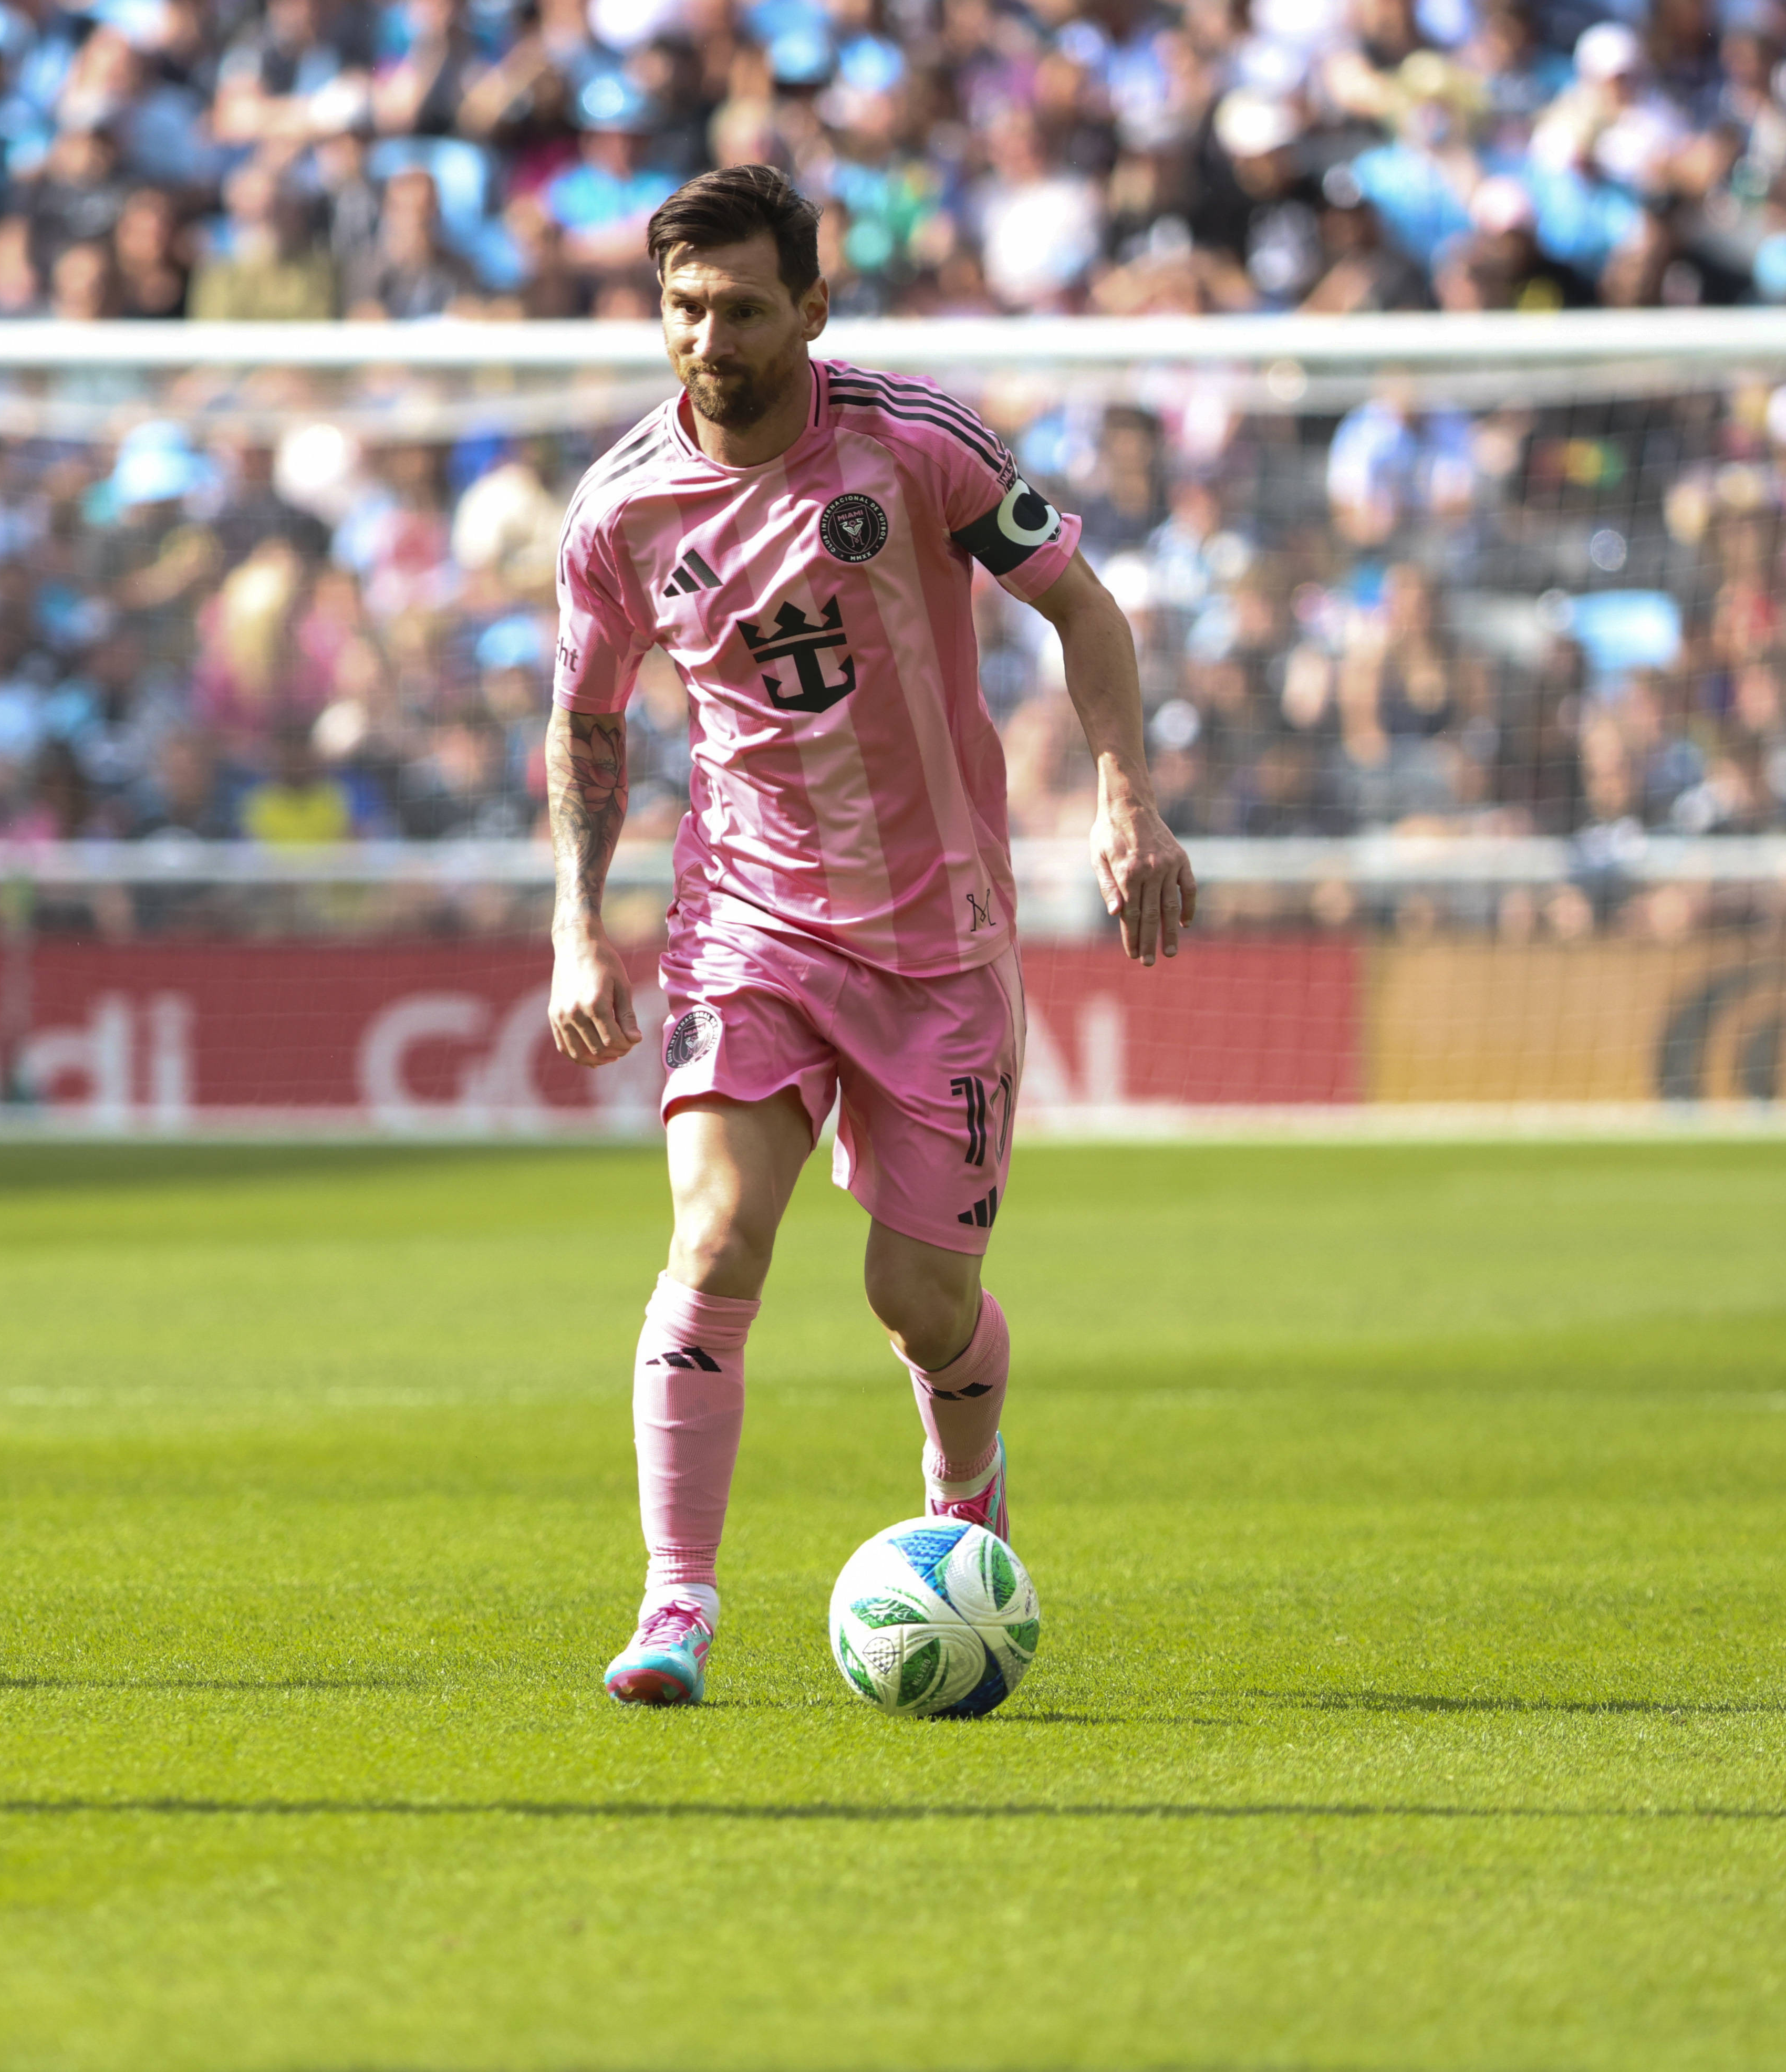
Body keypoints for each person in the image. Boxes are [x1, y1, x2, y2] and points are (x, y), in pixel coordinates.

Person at [542, 165, 1196, 1706]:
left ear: (813, 310)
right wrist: (577, 921)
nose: (709, 340)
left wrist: (1127, 798)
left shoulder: (916, 442)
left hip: (940, 939)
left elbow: (1087, 609)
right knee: (715, 1239)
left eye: (741, 309)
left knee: (921, 1298)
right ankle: (677, 1601)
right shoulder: (621, 510)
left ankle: (966, 1487)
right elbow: (588, 721)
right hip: (747, 923)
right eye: (683, 310)